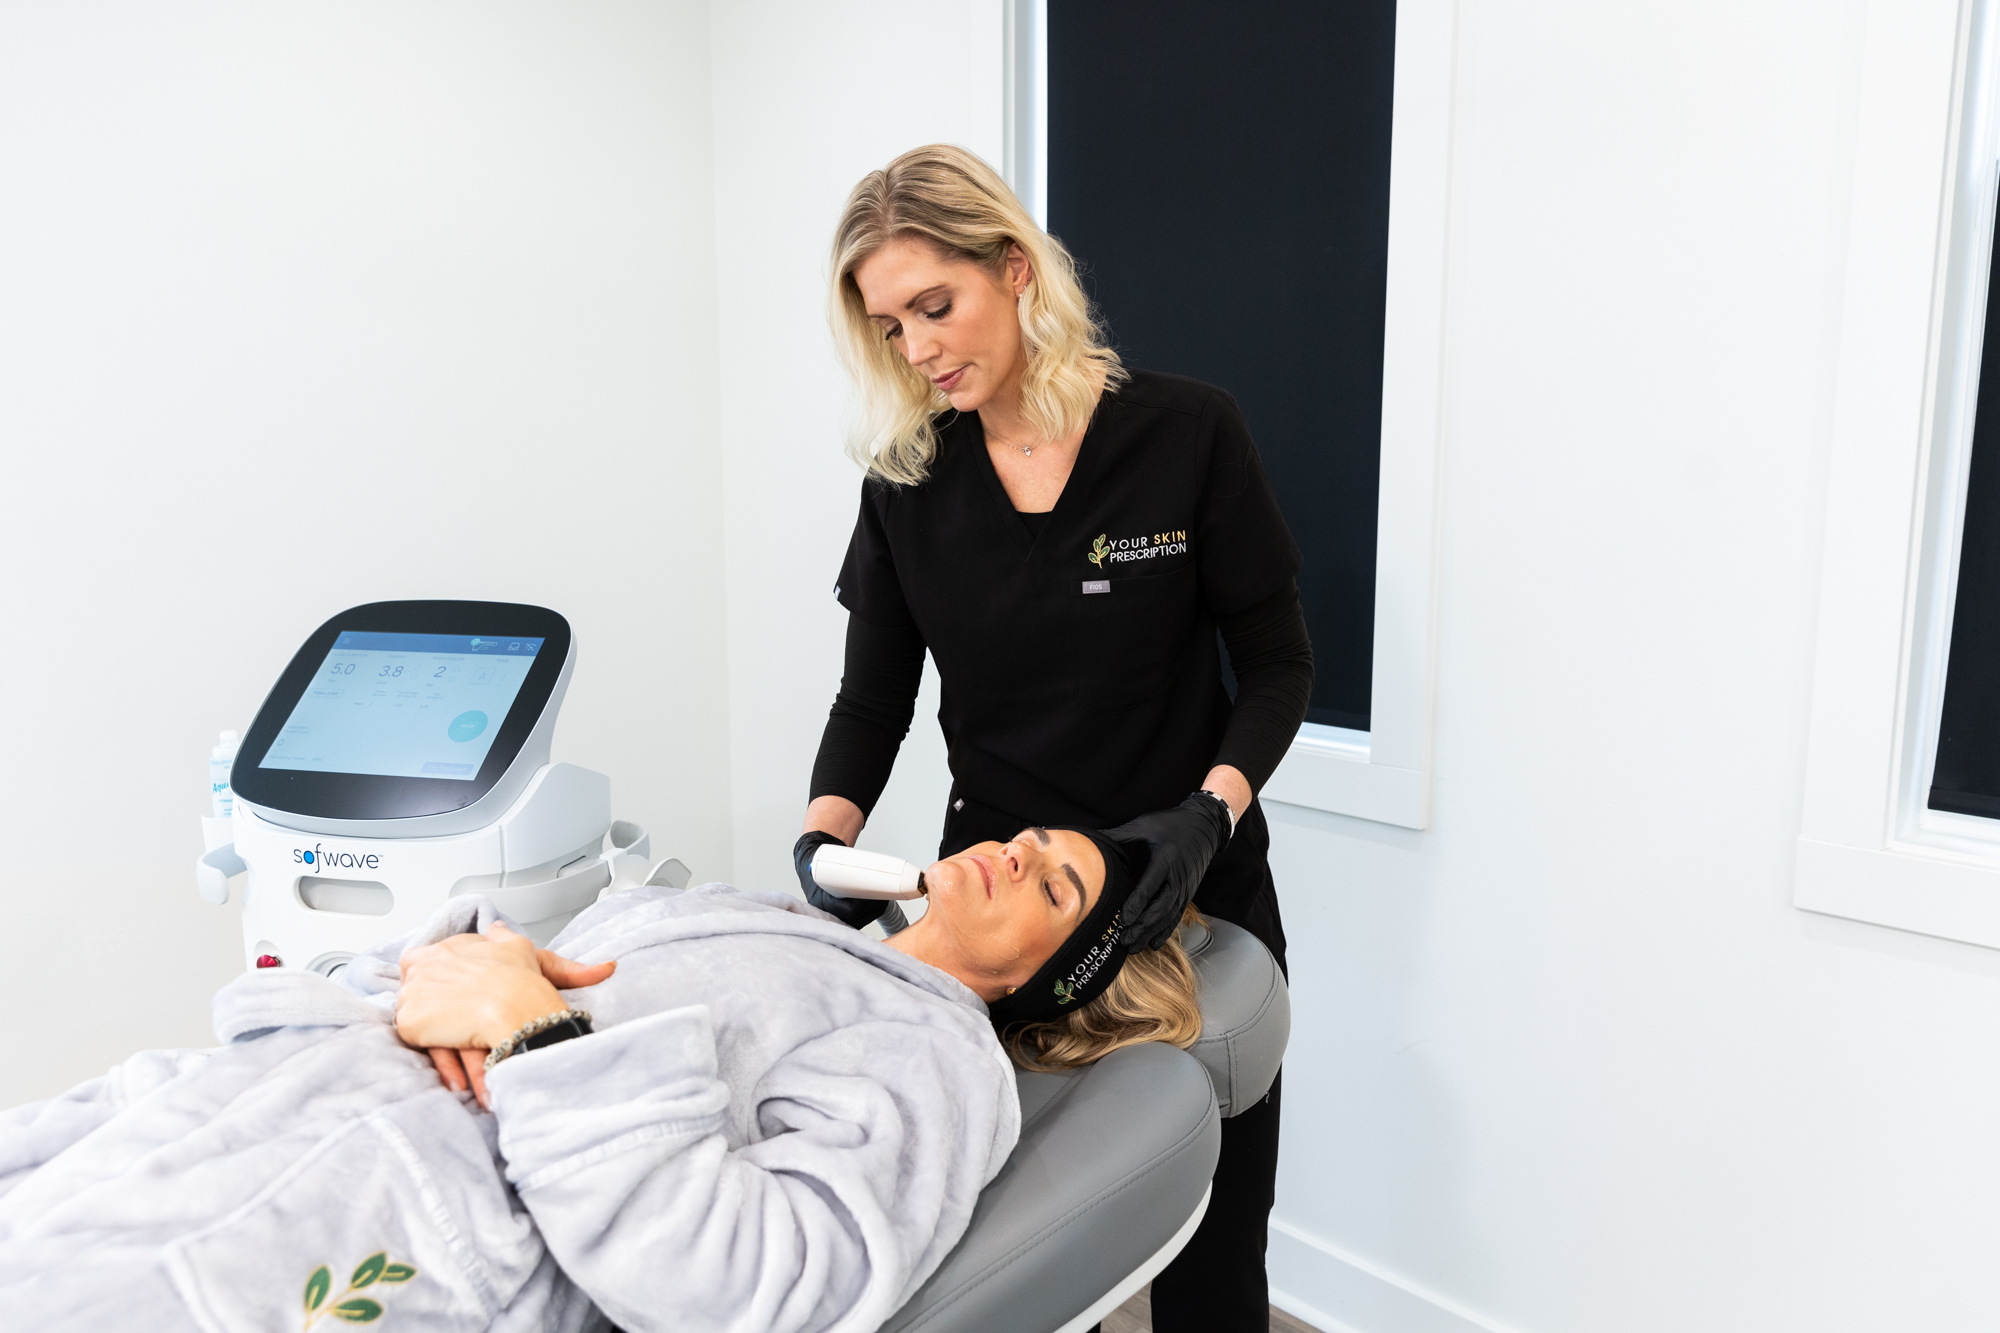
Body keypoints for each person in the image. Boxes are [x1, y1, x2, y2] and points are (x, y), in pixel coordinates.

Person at [796, 144, 1313, 1332]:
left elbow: (1278, 662)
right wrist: (823, 844)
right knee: (977, 1252)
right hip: (998, 911)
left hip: (1189, 889)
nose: (917, 349)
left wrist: (1210, 809)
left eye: (936, 306)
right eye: (889, 327)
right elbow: (869, 704)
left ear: (1015, 270)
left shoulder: (1185, 435)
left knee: (1215, 1262)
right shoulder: (905, 481)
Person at [0, 828, 1195, 1333]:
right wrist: (453, 956)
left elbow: (754, 1283)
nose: (1012, 850)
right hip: (224, 1116)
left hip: (370, 1222)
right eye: (1035, 840)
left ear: (1055, 979)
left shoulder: (934, 1061)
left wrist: (529, 1036)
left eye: (1049, 887)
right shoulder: (751, 914)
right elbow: (508, 969)